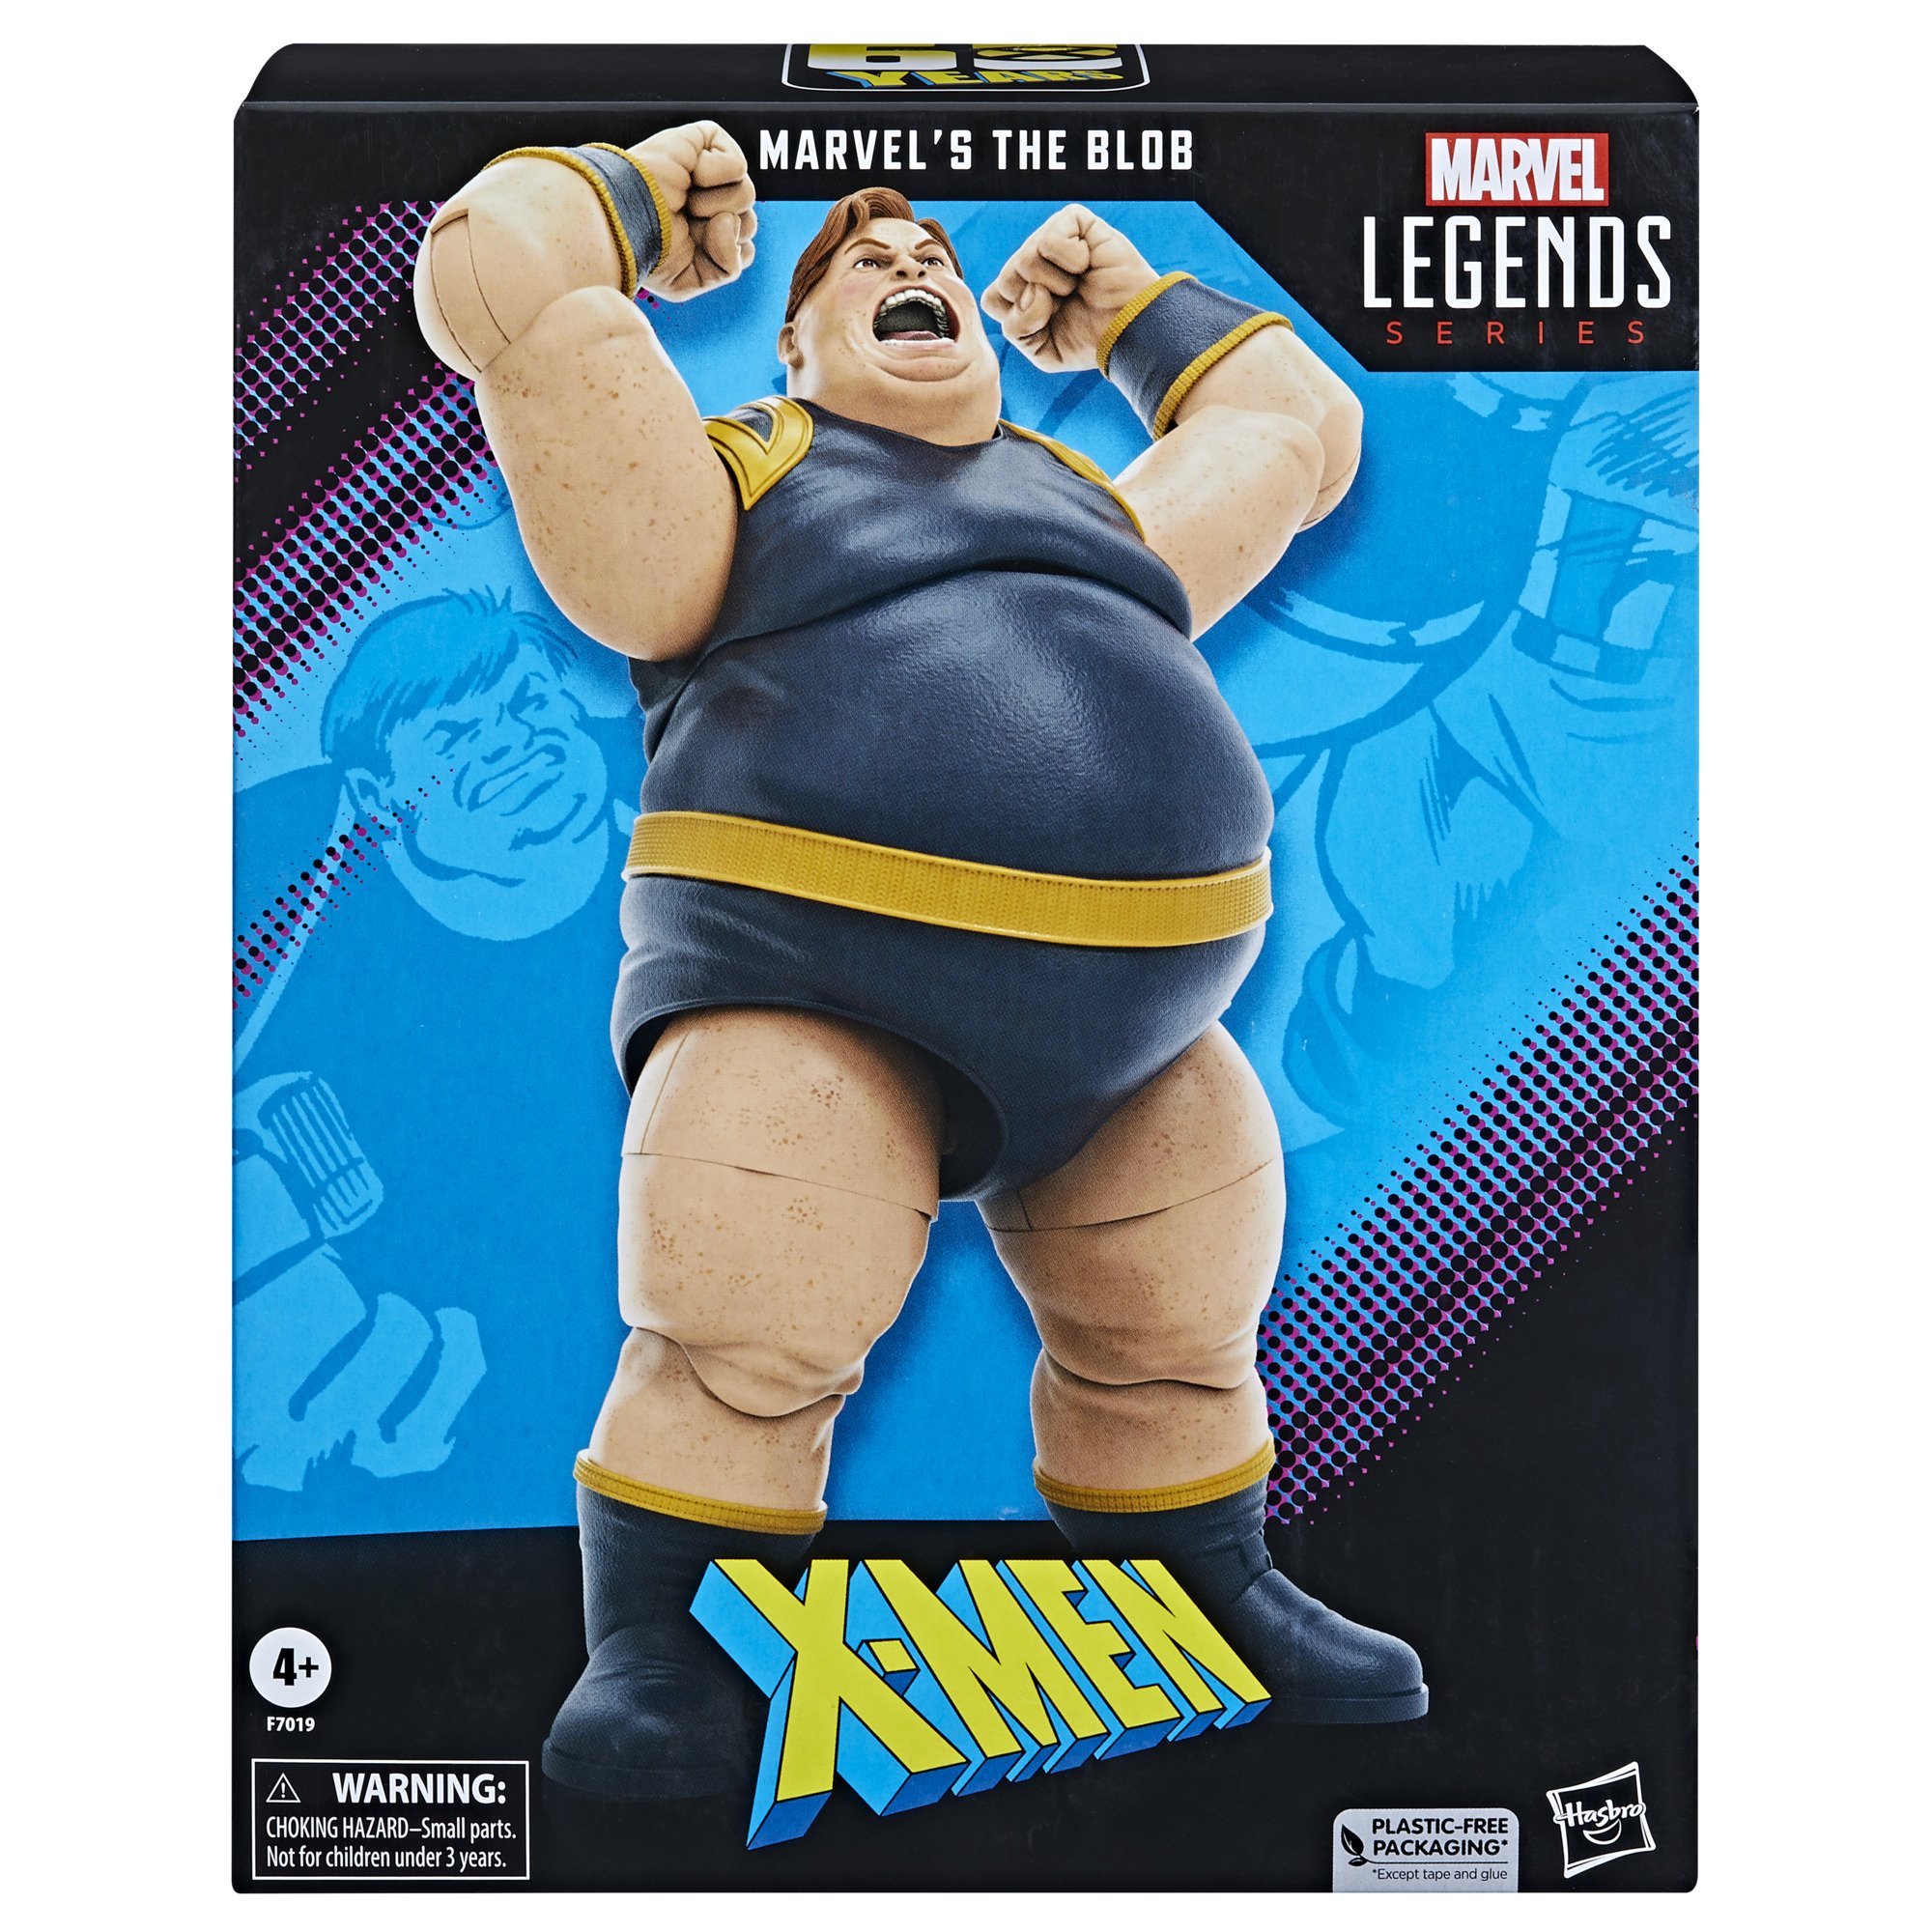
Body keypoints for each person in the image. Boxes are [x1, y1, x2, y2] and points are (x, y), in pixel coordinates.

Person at [415, 120, 1426, 1805]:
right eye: (863, 266)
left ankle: (1204, 1593)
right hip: (811, 989)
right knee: (751, 1319)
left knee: (1178, 1328)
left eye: (931, 257)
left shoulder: (1094, 507)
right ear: (794, 349)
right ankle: (665, 1644)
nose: (910, 265)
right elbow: (503, 280)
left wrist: (1137, 314)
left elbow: (1296, 429)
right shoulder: (742, 478)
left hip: (1141, 1031)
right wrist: (636, 199)